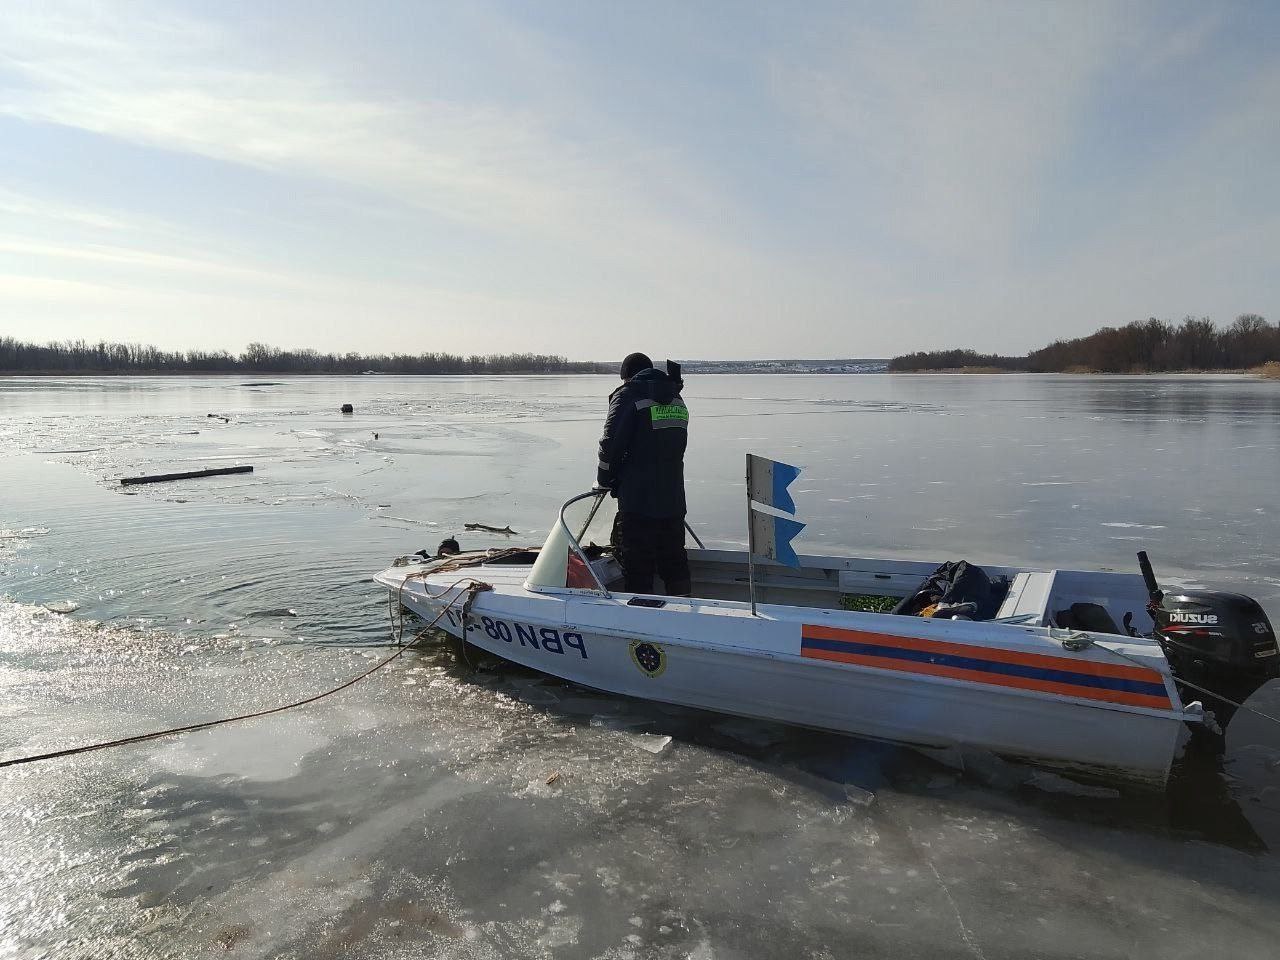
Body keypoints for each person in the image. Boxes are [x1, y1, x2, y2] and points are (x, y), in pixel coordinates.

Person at [595, 352, 691, 595]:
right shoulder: (676, 398)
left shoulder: (628, 396)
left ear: (627, 377)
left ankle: (641, 621)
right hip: (673, 500)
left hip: (637, 503)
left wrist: (605, 480)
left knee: (638, 567)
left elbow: (610, 444)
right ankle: (684, 611)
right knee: (674, 562)